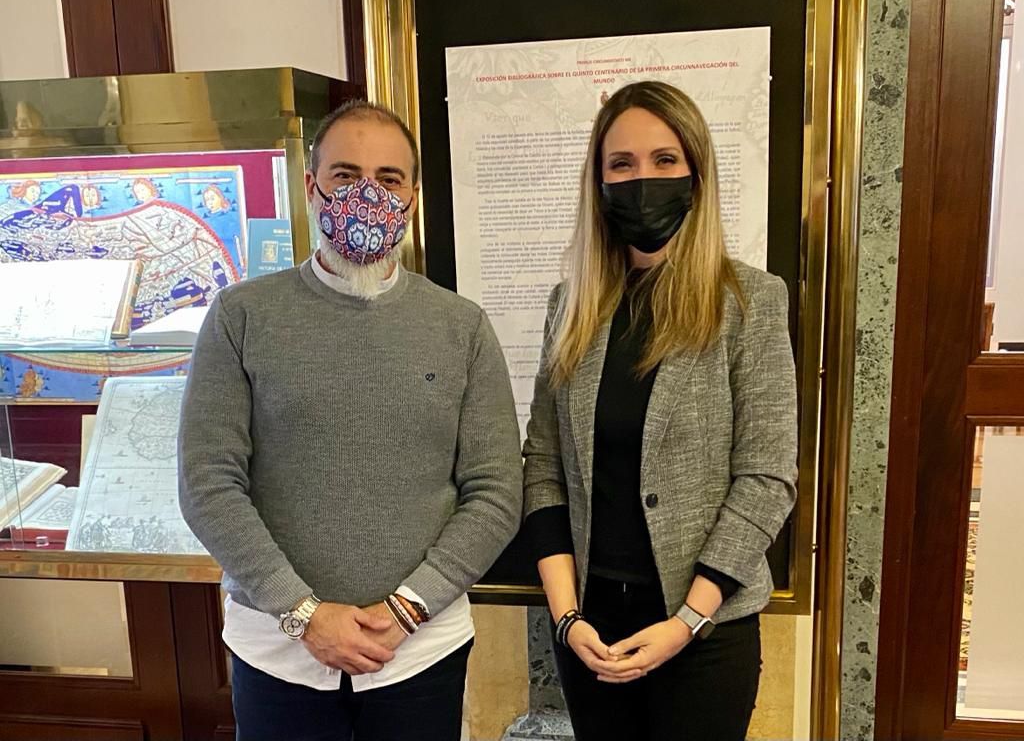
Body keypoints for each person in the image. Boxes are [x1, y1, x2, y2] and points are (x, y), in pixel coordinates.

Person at [179, 99, 523, 741]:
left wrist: (408, 607)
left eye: (388, 179)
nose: (367, 193)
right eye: (345, 175)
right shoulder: (241, 317)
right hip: (276, 655)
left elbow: (497, 493)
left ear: (413, 196)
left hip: (420, 653)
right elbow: (209, 483)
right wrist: (302, 613)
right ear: (312, 187)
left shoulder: (461, 327)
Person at [522, 80, 798, 741]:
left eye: (664, 160)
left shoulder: (749, 301)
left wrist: (687, 621)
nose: (642, 179)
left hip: (704, 631)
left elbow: (766, 478)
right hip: (590, 631)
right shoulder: (572, 306)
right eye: (622, 165)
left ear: (695, 173)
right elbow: (543, 468)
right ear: (600, 182)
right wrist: (566, 619)